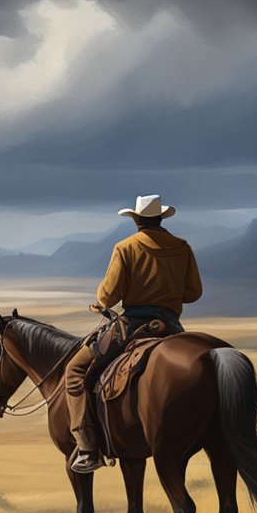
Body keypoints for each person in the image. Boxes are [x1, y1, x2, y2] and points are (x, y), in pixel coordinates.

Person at [65, 194, 203, 473]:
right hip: (171, 326)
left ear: (137, 220)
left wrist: (101, 304)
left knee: (75, 372)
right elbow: (194, 293)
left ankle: (87, 448)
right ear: (161, 218)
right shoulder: (182, 247)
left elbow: (108, 294)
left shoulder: (125, 247)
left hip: (132, 324)